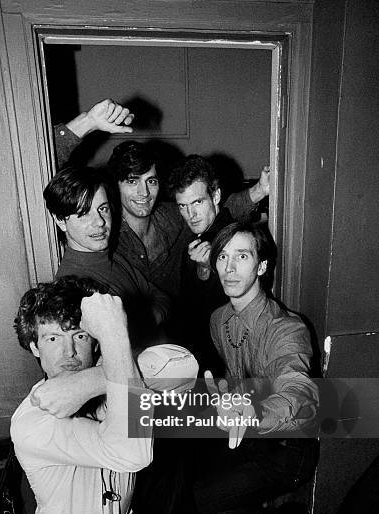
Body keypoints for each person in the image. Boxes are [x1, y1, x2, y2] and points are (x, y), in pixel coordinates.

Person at [10, 276, 152, 514]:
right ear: (34, 346)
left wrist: (93, 379)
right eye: (52, 338)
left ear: (95, 341)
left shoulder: (117, 379)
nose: (69, 352)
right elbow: (133, 452)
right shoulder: (32, 421)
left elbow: (177, 362)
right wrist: (117, 334)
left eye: (80, 335)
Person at [54, 98, 270, 300]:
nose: (144, 193)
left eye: (151, 181)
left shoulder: (174, 216)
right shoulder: (101, 232)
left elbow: (218, 210)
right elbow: (40, 171)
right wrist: (87, 123)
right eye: (131, 181)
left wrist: (259, 190)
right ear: (115, 186)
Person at [192, 221, 319, 514]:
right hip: (246, 438)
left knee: (200, 506)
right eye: (222, 256)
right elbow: (233, 378)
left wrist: (254, 412)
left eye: (242, 257)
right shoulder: (218, 319)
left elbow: (298, 390)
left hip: (287, 451)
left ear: (262, 266)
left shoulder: (286, 329)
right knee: (184, 481)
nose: (229, 268)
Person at [43, 164, 169, 349]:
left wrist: (145, 321)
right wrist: (148, 320)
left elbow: (160, 296)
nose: (100, 222)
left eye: (103, 209)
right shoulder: (71, 287)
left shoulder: (111, 255)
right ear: (60, 220)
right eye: (84, 214)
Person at [167, 154, 270, 372]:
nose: (191, 214)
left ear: (215, 196)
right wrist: (259, 190)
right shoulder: (211, 223)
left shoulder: (230, 240)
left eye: (197, 202)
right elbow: (230, 209)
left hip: (217, 354)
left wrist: (208, 269)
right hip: (193, 347)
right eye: (183, 206)